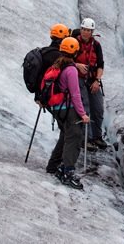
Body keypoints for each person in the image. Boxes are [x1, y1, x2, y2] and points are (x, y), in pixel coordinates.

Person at [46, 37, 90, 189]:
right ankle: (68, 172)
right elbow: (75, 94)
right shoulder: (71, 69)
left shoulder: (58, 64)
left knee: (66, 135)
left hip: (58, 108)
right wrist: (83, 114)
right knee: (74, 138)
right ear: (75, 51)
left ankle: (54, 165)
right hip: (68, 109)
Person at [73, 17, 106, 149]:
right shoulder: (74, 43)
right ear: (81, 29)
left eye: (88, 30)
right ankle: (85, 139)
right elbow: (65, 60)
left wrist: (97, 80)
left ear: (92, 32)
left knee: (98, 109)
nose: (86, 32)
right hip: (78, 79)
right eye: (84, 29)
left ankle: (97, 137)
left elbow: (100, 65)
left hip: (93, 79)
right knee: (85, 108)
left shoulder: (96, 45)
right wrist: (76, 65)